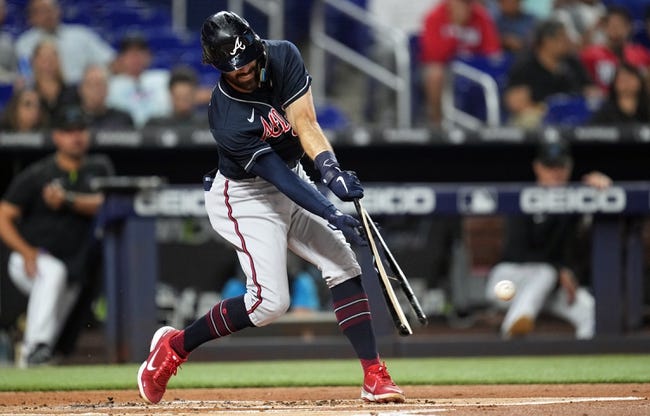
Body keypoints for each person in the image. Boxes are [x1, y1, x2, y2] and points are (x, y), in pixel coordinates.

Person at [137, 11, 405, 405]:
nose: (242, 71)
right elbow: (279, 177)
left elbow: (306, 124)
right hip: (245, 197)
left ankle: (374, 375)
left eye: (246, 61)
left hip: (295, 179)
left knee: (343, 265)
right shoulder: (225, 114)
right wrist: (331, 212)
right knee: (269, 303)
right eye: (232, 68)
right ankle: (176, 345)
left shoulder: (284, 56)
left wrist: (331, 170)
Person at [0, 104, 114, 366]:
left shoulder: (99, 167)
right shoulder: (39, 173)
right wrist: (26, 251)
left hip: (73, 268)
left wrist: (68, 200)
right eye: (68, 131)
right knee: (52, 273)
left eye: (80, 129)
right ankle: (33, 348)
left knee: (50, 339)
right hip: (32, 258)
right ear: (56, 136)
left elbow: (106, 203)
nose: (76, 136)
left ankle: (30, 364)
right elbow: (4, 214)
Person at [484, 136, 610, 340]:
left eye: (560, 166)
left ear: (569, 167)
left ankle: (580, 367)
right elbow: (517, 252)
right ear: (538, 168)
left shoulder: (576, 199)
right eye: (550, 166)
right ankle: (512, 332)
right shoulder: (523, 197)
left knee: (592, 313)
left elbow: (587, 237)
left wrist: (601, 189)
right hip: (508, 281)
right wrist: (559, 269)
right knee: (545, 272)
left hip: (551, 288)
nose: (556, 172)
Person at [504, 19, 599, 128]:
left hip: (573, 115)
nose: (568, 41)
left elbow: (591, 90)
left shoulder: (572, 62)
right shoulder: (525, 65)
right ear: (547, 41)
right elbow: (515, 102)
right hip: (540, 117)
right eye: (563, 37)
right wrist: (546, 110)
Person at [420, 0, 502, 126]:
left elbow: (492, 50)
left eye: (467, 3)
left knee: (498, 73)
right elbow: (434, 55)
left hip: (474, 67)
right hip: (447, 68)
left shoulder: (480, 16)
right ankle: (436, 123)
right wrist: (457, 27)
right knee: (435, 74)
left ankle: (494, 123)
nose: (464, 6)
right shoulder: (435, 16)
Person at [15, 0, 115, 85]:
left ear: (59, 11)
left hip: (81, 92)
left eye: (51, 9)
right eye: (42, 11)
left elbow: (109, 60)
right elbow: (26, 74)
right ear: (32, 17)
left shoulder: (81, 35)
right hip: (44, 95)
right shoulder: (24, 43)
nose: (48, 15)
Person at [579, 6, 650, 94]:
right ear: (604, 27)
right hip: (606, 103)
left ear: (629, 27)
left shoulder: (642, 54)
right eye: (612, 25)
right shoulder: (590, 55)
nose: (616, 30)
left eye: (620, 25)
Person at [106, 34, 171, 128]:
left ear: (148, 56)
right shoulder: (110, 85)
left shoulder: (163, 78)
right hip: (124, 133)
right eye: (130, 53)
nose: (135, 57)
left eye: (140, 52)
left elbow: (192, 94)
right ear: (121, 58)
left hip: (160, 132)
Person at [76, 64, 134, 130]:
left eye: (100, 84)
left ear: (107, 89)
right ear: (80, 89)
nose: (96, 90)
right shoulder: (71, 118)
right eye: (91, 85)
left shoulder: (123, 118)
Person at [30, 39, 76, 119]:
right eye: (43, 59)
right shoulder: (28, 94)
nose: (48, 63)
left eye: (51, 58)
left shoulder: (73, 93)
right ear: (34, 61)